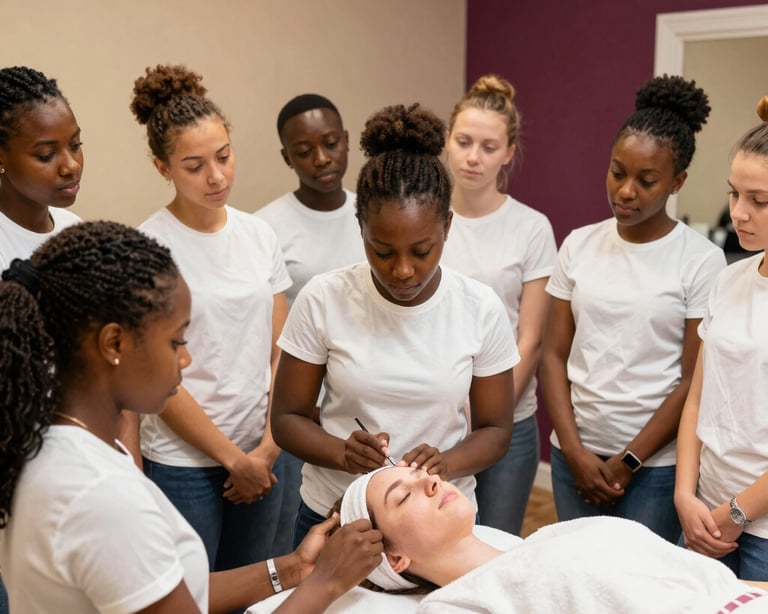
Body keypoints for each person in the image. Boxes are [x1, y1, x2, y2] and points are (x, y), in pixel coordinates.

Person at [0, 220, 383, 614]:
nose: (185, 359)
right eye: (176, 341)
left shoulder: (57, 443)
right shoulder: (100, 493)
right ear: (114, 343)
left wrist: (295, 569)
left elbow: (162, 588)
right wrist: (326, 583)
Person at [270, 102, 519, 547]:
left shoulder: (479, 308)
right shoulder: (324, 298)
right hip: (337, 514)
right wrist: (342, 452)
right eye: (382, 251)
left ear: (447, 226)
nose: (402, 270)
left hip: (440, 520)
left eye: (421, 251)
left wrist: (446, 462)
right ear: (361, 227)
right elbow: (287, 419)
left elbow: (496, 431)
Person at [540, 74, 726, 542]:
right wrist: (575, 452)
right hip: (573, 456)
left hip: (655, 468)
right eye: (617, 172)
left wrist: (630, 461)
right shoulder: (578, 244)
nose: (625, 191)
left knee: (642, 581)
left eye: (646, 181)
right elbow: (553, 356)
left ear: (677, 182)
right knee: (576, 573)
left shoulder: (701, 260)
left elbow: (693, 379)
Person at [130, 64, 289, 574]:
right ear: (162, 167)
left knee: (254, 589)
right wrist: (232, 459)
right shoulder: (148, 247)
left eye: (223, 156)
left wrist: (267, 449)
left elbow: (281, 351)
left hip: (263, 450)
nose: (216, 176)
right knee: (190, 595)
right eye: (194, 165)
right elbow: (157, 375)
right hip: (184, 464)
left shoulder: (259, 235)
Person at [338, 465, 768, 613]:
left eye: (420, 473)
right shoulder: (457, 604)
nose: (430, 482)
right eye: (403, 496)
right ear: (395, 559)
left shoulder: (550, 537)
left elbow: (712, 581)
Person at [442, 74, 557, 534]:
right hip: (436, 419)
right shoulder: (425, 218)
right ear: (447, 140)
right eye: (464, 142)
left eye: (489, 147)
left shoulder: (531, 228)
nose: (473, 157)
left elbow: (530, 339)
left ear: (509, 153)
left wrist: (489, 416)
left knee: (495, 546)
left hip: (509, 423)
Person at [255, 93, 365, 555]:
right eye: (304, 151)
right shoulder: (267, 227)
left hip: (360, 403)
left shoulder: (371, 216)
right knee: (292, 538)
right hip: (301, 412)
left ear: (347, 141)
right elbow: (267, 332)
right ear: (287, 157)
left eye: (331, 143)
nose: (321, 158)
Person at [0, 64, 84, 614]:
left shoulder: (78, 236)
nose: (70, 164)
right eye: (47, 153)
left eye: (76, 145)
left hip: (70, 471)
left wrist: (125, 455)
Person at [675, 96, 768, 581]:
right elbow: (698, 399)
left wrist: (736, 513)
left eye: (759, 200)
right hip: (704, 508)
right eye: (734, 194)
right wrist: (684, 494)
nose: (739, 214)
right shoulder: (729, 280)